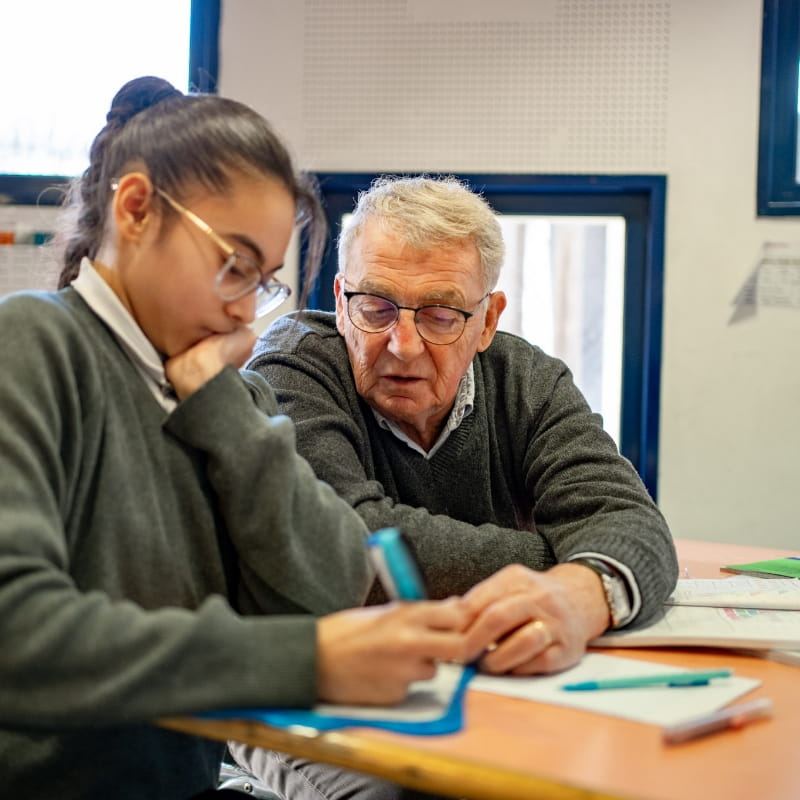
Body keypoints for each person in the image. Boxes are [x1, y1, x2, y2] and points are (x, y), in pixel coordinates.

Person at [0, 80, 474, 800]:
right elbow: (20, 633)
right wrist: (309, 660)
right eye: (232, 265)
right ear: (134, 210)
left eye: (260, 283)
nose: (244, 314)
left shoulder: (218, 391)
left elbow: (331, 590)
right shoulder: (33, 344)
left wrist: (226, 412)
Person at [240, 175, 679, 793]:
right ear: (341, 301)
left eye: (442, 314)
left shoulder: (530, 382)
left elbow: (634, 526)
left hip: (479, 674)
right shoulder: (292, 366)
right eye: (377, 307)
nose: (403, 345)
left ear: (487, 319)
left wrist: (581, 598)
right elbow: (345, 541)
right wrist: (555, 559)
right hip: (310, 679)